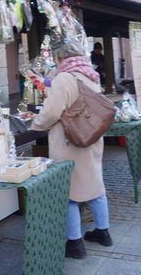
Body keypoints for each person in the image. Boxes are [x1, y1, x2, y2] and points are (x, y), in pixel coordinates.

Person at [31, 40, 112, 260]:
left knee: (69, 194)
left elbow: (51, 112)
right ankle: (104, 233)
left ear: (60, 58)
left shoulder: (64, 78)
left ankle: (75, 244)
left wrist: (35, 125)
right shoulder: (90, 76)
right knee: (95, 185)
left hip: (70, 142)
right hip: (92, 138)